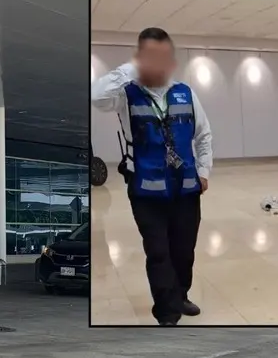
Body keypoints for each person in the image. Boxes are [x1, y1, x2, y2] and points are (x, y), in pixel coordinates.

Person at [91, 27, 213, 326]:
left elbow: (203, 135)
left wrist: (203, 171)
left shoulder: (185, 91)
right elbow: (95, 95)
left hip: (185, 188)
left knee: (184, 250)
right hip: (146, 190)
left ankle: (180, 295)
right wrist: (133, 69)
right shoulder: (125, 94)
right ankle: (166, 313)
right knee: (158, 252)